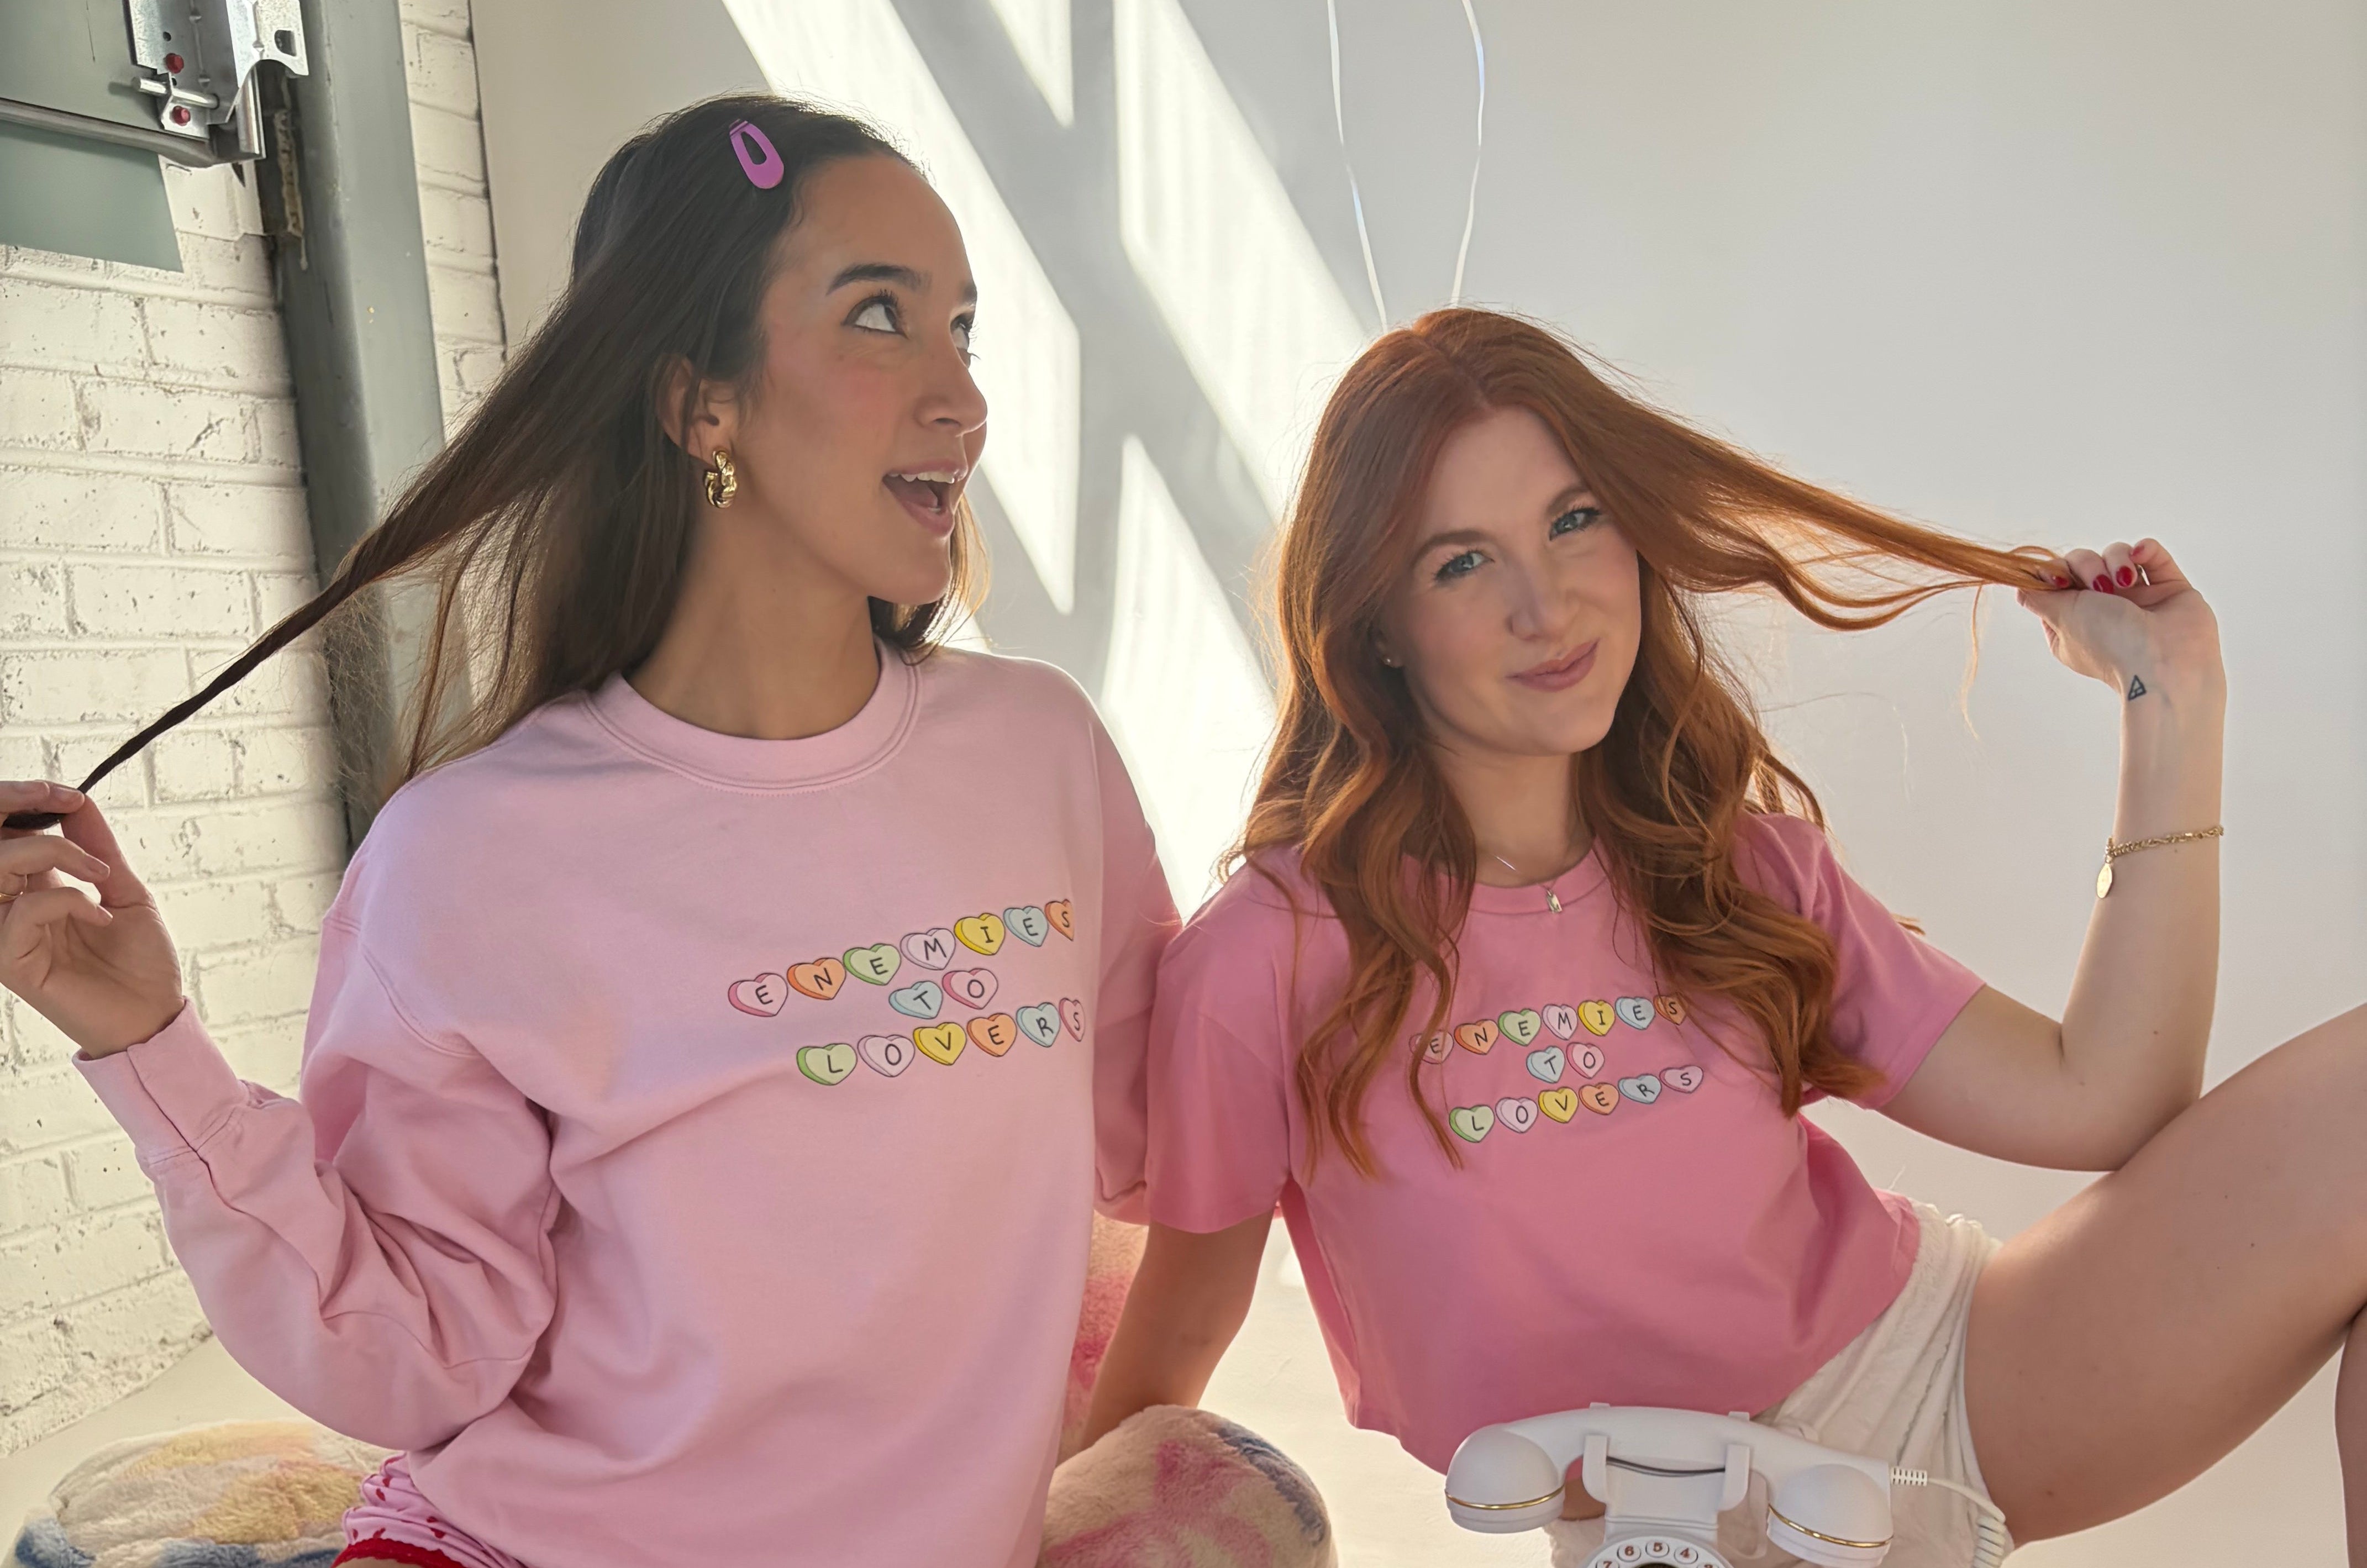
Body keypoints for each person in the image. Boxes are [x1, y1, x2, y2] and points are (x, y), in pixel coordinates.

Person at [0, 96, 1174, 1568]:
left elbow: (1171, 1117)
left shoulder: (1037, 754)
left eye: (962, 328)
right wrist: (150, 1040)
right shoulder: (473, 856)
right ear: (701, 403)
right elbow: (417, 1347)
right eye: (880, 316)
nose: (961, 398)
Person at [1083, 307, 2367, 1564]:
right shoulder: (1269, 956)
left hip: (1945, 1398)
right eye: (1461, 560)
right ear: (1377, 624)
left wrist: (2169, 696)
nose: (1550, 603)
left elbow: (2111, 1098)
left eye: (1575, 520)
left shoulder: (1740, 874)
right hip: (1653, 1528)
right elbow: (1178, 1337)